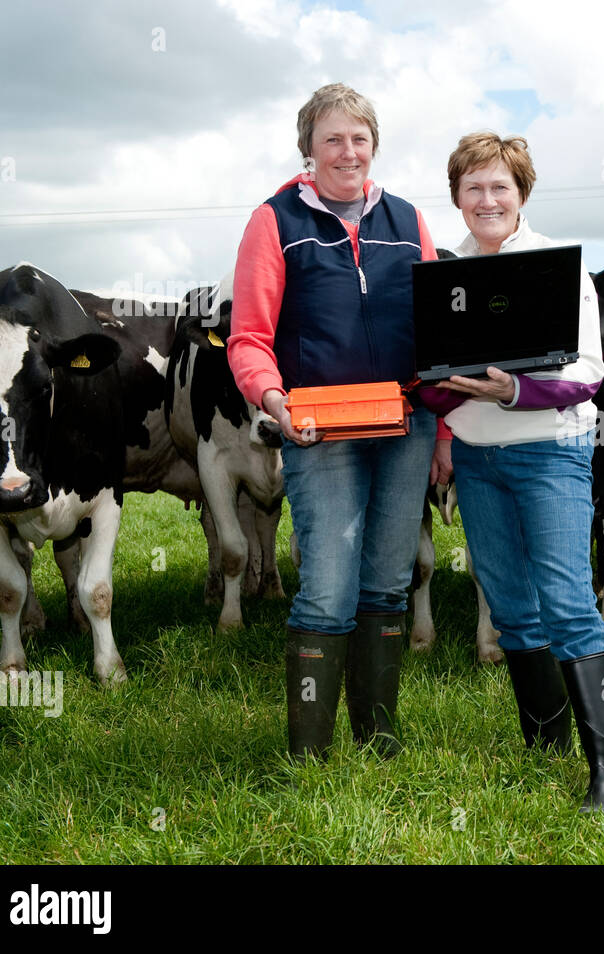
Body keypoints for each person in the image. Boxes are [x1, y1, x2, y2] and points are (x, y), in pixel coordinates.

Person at [420, 132, 604, 811]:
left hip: (551, 450)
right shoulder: (443, 273)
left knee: (568, 602)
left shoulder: (556, 267)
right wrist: (445, 404)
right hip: (478, 459)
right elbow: (425, 378)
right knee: (511, 603)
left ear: (521, 194)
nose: (487, 199)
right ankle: (543, 742)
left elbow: (589, 373)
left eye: (500, 187)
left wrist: (509, 391)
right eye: (473, 187)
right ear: (457, 196)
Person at [228, 83, 440, 760]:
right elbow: (249, 338)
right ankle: (308, 756)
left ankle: (377, 736)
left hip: (406, 425)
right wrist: (273, 401)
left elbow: (438, 332)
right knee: (325, 587)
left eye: (360, 139)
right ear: (308, 149)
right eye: (333, 139)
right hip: (318, 430)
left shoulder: (407, 219)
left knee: (387, 579)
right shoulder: (275, 221)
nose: (348, 153)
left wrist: (449, 425)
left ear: (374, 146)